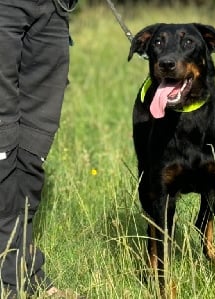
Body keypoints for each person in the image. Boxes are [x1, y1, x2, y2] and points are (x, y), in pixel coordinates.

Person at [0, 0, 79, 297]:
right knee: (2, 143)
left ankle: (24, 271)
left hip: (54, 9)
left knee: (33, 145)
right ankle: (12, 281)